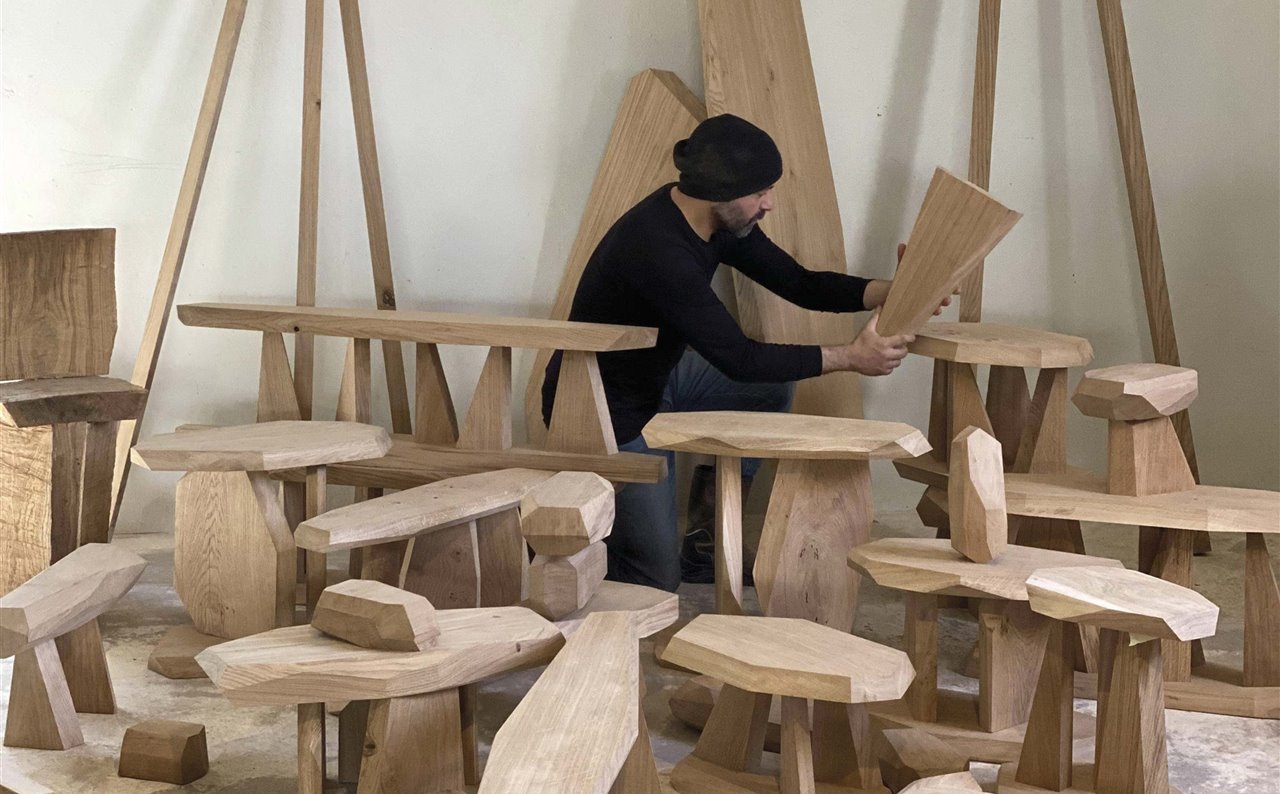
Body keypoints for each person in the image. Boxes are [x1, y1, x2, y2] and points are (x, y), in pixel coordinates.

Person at [542, 113, 929, 592]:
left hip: (656, 379)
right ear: (720, 192)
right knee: (656, 581)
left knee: (767, 390)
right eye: (760, 192)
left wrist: (888, 291)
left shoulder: (717, 219)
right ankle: (580, 543)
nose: (768, 203)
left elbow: (799, 283)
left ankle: (705, 542)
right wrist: (851, 357)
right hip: (598, 408)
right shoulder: (660, 250)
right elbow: (739, 358)